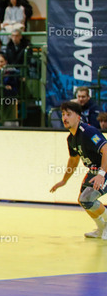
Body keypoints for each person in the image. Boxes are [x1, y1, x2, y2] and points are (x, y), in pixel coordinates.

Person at [51, 101, 107, 239]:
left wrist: (101, 174)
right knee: (83, 200)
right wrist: (64, 180)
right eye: (63, 114)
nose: (65, 118)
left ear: (78, 117)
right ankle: (101, 228)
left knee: (87, 199)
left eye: (69, 114)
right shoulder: (71, 139)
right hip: (94, 170)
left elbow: (106, 150)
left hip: (103, 169)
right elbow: (73, 160)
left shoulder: (88, 132)